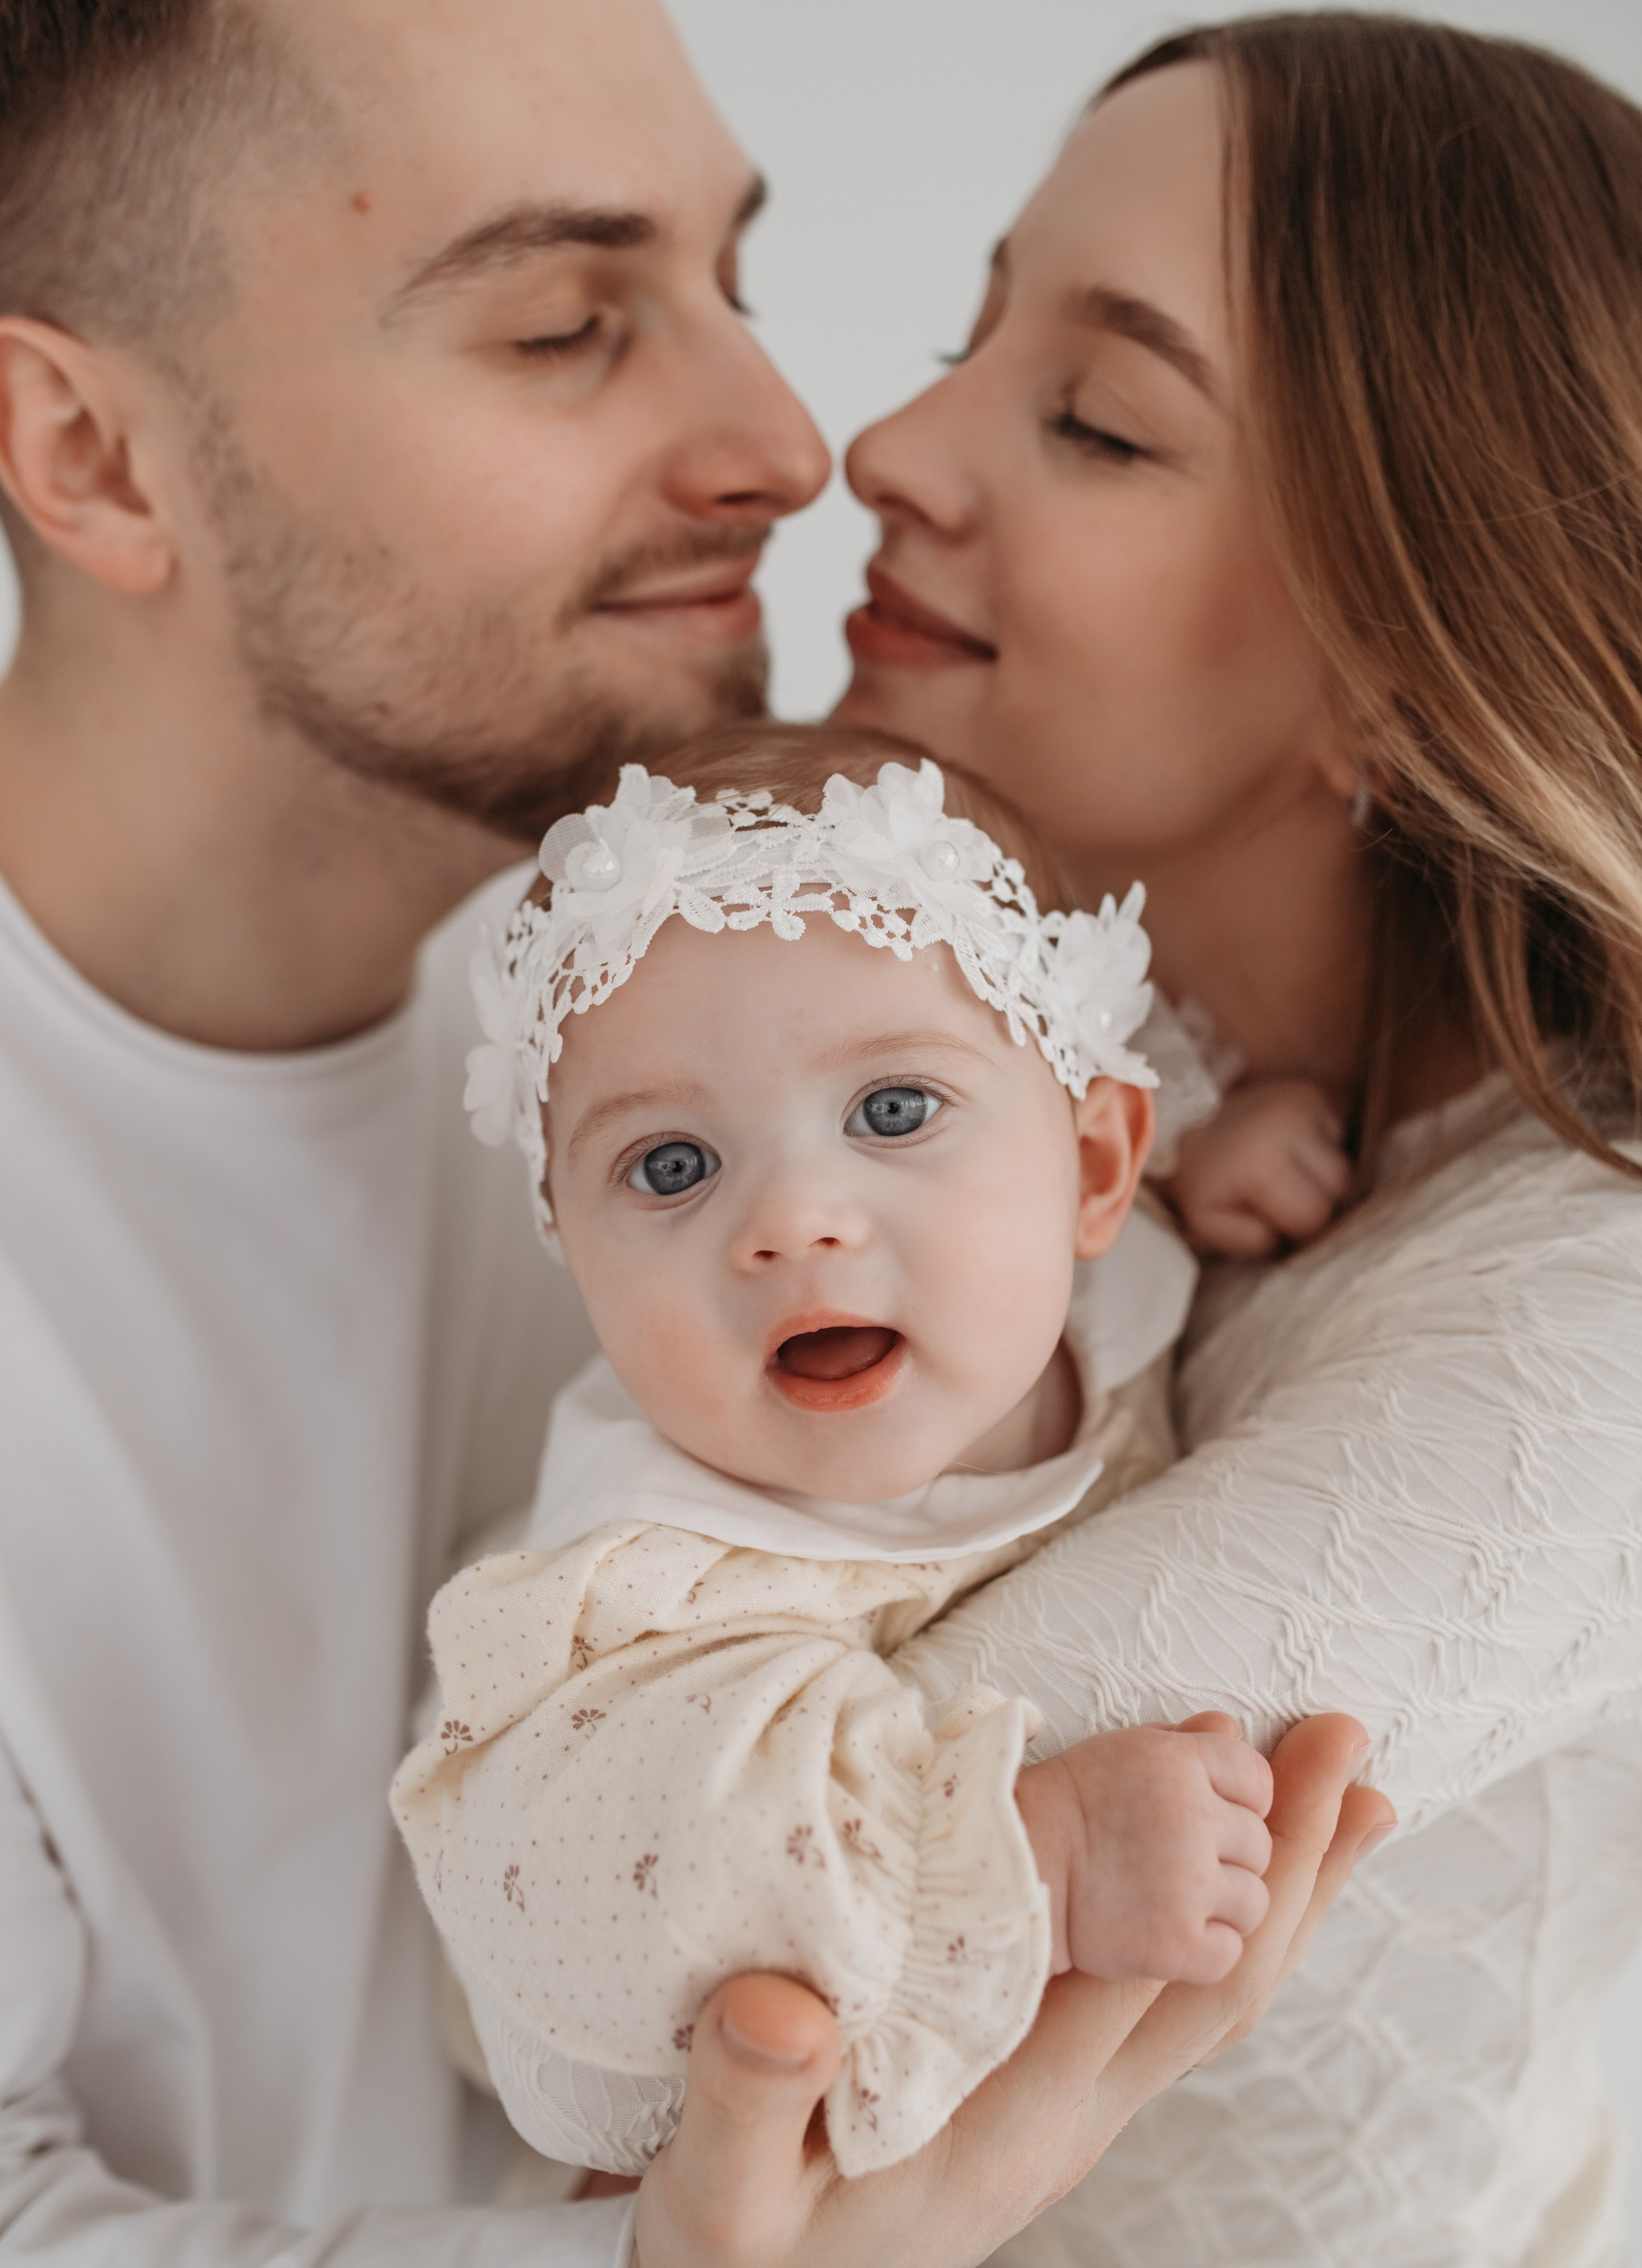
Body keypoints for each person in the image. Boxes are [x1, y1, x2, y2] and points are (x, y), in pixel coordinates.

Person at [0, 0, 1386, 2268]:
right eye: (562, 322)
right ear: (93, 458)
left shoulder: (746, 998)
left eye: (729, 273)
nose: (793, 435)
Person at [836, 9, 1642, 2268]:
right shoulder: (1074, 1068)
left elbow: (662, 1918)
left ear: (1400, 663)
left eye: (1093, 417)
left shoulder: (1575, 1340)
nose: (881, 449)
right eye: (964, 338)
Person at [392, 723, 1318, 2184]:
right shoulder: (648, 1589)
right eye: (672, 1167)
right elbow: (640, 1880)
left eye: (891, 1112)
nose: (790, 1220)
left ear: (1090, 1169)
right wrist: (1035, 1853)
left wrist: (1209, 1161)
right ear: (570, 1254)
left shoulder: (1085, 1251)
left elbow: (1066, 1136)